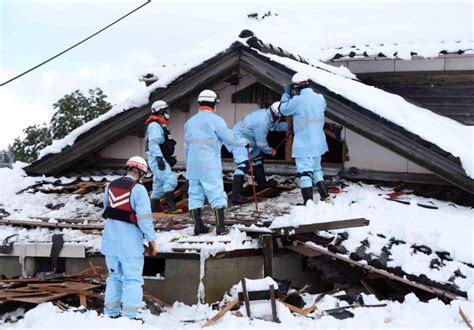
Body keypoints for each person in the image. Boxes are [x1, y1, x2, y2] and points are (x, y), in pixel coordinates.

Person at [101, 156, 157, 319]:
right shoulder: (138, 190)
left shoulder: (110, 186)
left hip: (110, 244)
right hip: (130, 246)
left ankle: (110, 313)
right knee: (132, 280)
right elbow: (145, 219)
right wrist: (151, 240)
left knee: (114, 278)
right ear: (141, 172)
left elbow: (107, 211)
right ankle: (129, 317)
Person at [184, 89, 245, 235]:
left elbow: (186, 147)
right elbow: (230, 139)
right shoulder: (216, 120)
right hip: (209, 165)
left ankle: (198, 226)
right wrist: (244, 142)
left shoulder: (189, 122)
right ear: (213, 103)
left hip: (192, 165)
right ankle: (221, 227)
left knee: (194, 195)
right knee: (216, 193)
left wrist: (189, 163)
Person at [279, 72, 331, 205]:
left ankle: (308, 203)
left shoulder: (296, 101)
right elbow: (322, 108)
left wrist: (285, 94)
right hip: (318, 142)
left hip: (304, 144)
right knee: (316, 170)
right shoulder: (320, 98)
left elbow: (283, 110)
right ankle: (325, 196)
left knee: (305, 173)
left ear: (296, 88)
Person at [231, 102, 288, 204]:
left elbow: (274, 126)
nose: (279, 119)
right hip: (239, 139)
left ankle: (262, 184)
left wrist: (290, 126)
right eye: (279, 117)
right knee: (243, 164)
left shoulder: (269, 115)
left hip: (251, 140)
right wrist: (271, 151)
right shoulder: (262, 121)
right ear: (275, 114)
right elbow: (261, 143)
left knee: (257, 159)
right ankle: (236, 196)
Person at [146, 100, 178, 213]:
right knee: (171, 179)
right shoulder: (155, 126)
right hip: (156, 158)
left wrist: (168, 159)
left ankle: (153, 210)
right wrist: (159, 158)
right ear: (160, 112)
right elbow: (153, 143)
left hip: (159, 158)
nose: (167, 112)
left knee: (158, 185)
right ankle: (171, 208)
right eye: (165, 110)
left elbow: (163, 145)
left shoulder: (160, 126)